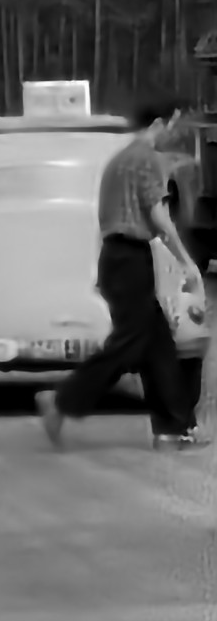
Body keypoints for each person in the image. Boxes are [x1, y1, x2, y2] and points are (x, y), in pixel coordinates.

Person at [40, 97, 207, 452]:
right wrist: (187, 262)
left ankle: (170, 430)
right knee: (130, 343)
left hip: (115, 256)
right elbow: (159, 217)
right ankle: (63, 401)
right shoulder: (149, 160)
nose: (173, 134)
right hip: (131, 257)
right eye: (174, 125)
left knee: (157, 344)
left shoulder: (117, 160)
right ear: (161, 122)